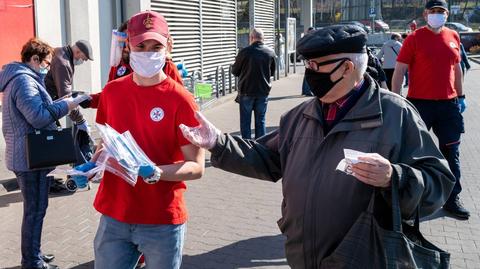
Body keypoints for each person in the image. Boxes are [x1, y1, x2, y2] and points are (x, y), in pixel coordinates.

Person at [179, 25, 455, 268]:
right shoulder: (299, 116)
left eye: (316, 66)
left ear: (347, 67)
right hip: (302, 254)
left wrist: (395, 177)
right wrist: (218, 142)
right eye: (307, 65)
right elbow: (267, 158)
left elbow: (438, 182)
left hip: (363, 255)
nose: (310, 74)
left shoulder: (396, 114)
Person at [88, 11, 204, 268]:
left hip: (161, 220)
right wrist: (96, 162)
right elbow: (106, 141)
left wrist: (157, 172)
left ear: (168, 46)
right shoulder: (112, 92)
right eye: (141, 45)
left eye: (156, 46)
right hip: (114, 215)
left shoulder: (180, 99)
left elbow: (196, 167)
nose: (148, 52)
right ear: (128, 45)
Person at [0, 38, 90, 269]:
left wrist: (65, 101)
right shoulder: (24, 81)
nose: (48, 68)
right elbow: (38, 117)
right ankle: (32, 261)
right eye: (47, 64)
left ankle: (34, 253)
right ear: (34, 59)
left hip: (28, 155)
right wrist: (69, 105)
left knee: (36, 210)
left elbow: (40, 109)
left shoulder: (22, 79)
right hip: (30, 159)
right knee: (35, 211)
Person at [391, 0, 469, 220]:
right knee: (414, 153)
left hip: (449, 105)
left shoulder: (453, 36)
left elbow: (457, 68)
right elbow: (399, 72)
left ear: (446, 14)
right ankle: (411, 200)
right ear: (425, 15)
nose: (437, 15)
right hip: (419, 105)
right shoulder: (414, 38)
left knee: (451, 152)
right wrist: (397, 101)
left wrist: (461, 97)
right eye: (433, 11)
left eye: (441, 12)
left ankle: (452, 199)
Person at [88, 22, 183, 109]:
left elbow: (179, 99)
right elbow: (109, 96)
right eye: (123, 41)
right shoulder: (118, 66)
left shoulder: (166, 66)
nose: (125, 46)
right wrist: (90, 100)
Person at [232, 28, 276, 139]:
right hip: (263, 91)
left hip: (246, 91)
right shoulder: (270, 52)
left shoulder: (244, 52)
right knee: (261, 121)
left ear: (251, 38)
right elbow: (272, 73)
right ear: (263, 38)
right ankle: (260, 146)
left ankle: (246, 147)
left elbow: (235, 71)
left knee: (245, 122)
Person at [301, 27, 316, 96]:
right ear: (308, 32)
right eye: (312, 31)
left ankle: (305, 91)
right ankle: (307, 91)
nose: (313, 33)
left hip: (308, 58)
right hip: (308, 59)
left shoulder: (307, 39)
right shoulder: (308, 39)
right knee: (309, 74)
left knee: (307, 74)